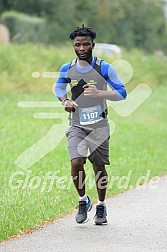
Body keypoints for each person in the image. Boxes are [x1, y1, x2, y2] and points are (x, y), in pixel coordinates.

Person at [55, 25, 127, 225]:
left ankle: (101, 206)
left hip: (99, 125)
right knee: (76, 162)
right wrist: (65, 101)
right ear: (73, 46)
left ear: (93, 45)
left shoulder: (104, 67)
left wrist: (100, 94)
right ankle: (82, 201)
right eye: (78, 45)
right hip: (77, 124)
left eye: (86, 44)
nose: (82, 48)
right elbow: (58, 88)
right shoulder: (67, 68)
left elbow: (122, 93)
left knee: (98, 166)